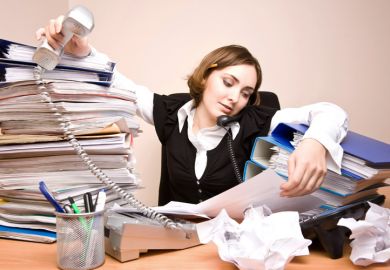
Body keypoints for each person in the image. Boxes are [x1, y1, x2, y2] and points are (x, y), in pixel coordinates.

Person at [36, 16, 348, 205]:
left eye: (245, 92)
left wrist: (314, 143)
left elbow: (330, 112)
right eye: (228, 82)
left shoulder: (256, 121)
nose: (234, 98)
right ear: (207, 74)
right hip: (176, 249)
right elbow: (120, 85)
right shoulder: (171, 112)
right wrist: (84, 52)